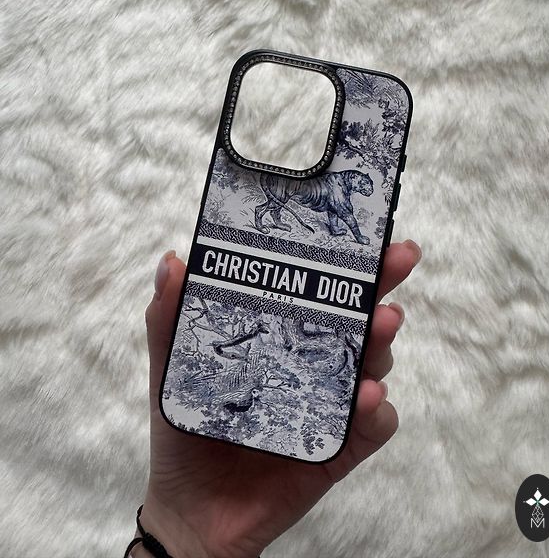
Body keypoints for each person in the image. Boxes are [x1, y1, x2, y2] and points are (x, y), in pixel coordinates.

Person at [128, 239, 422, 558]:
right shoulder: (261, 343)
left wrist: (178, 537)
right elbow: (248, 341)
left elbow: (258, 344)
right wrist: (175, 532)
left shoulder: (272, 346)